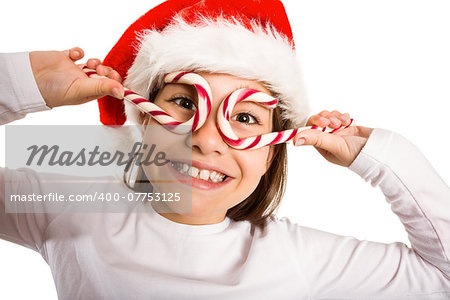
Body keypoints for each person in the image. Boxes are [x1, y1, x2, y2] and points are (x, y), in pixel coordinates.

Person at [1, 0, 449, 299]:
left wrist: (375, 155)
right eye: (182, 102)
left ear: (272, 152)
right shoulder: (69, 209)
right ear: (143, 118)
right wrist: (22, 85)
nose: (207, 139)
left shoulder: (299, 257)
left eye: (245, 117)